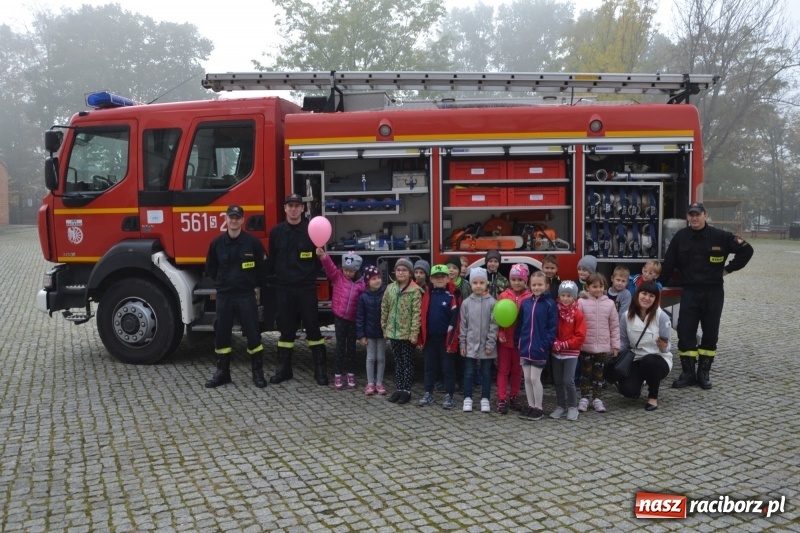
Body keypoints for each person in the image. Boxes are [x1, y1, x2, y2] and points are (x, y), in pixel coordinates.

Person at [658, 202, 753, 390]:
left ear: (705, 215)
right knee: (685, 333)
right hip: (690, 292)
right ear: (687, 217)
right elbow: (669, 263)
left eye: (697, 214)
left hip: (713, 292)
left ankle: (703, 373)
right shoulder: (681, 237)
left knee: (710, 334)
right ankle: (687, 373)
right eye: (691, 215)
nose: (694, 218)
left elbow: (747, 250)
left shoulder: (720, 236)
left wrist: (727, 269)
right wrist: (658, 285)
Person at [204, 205, 268, 389]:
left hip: (245, 296)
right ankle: (222, 373)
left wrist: (250, 282)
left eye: (237, 217)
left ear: (242, 220)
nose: (233, 220)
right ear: (225, 219)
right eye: (230, 217)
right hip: (224, 297)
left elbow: (262, 266)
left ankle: (258, 373)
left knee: (253, 335)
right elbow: (211, 268)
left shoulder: (252, 243)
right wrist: (223, 283)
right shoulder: (217, 243)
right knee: (222, 335)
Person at [267, 193, 328, 386]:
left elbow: (318, 263)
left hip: (305, 288)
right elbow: (273, 260)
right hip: (284, 289)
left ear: (303, 209)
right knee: (286, 330)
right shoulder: (276, 232)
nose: (293, 209)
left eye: (297, 206)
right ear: (284, 209)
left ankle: (320, 371)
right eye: (290, 205)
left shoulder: (311, 231)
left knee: (313, 329)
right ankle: (284, 370)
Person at [609, 282, 673, 411]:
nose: (647, 298)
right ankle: (640, 382)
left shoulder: (662, 317)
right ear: (637, 295)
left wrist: (663, 346)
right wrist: (614, 349)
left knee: (649, 360)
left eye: (651, 296)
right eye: (644, 293)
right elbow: (625, 343)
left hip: (658, 359)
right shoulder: (626, 316)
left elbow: (667, 347)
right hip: (636, 358)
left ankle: (653, 397)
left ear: (655, 299)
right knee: (629, 392)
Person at [318, 249, 366, 390]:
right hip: (339, 317)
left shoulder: (361, 285)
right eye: (345, 270)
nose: (347, 273)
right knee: (340, 346)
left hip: (352, 319)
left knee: (351, 347)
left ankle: (351, 373)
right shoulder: (338, 277)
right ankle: (338, 374)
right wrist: (324, 256)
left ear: (356, 271)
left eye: (351, 271)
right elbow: (330, 267)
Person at [515, 271, 557, 421]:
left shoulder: (550, 304)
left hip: (539, 348)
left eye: (540, 284)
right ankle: (531, 405)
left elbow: (552, 328)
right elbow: (520, 324)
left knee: (534, 378)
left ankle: (539, 407)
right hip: (525, 347)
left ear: (546, 286)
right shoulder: (526, 303)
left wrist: (544, 345)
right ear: (529, 285)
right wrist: (518, 341)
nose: (537, 287)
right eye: (534, 284)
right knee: (526, 378)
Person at [381, 257, 423, 404]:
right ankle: (399, 388)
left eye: (404, 270)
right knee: (398, 362)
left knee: (407, 362)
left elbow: (417, 313)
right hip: (393, 332)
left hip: (406, 334)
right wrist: (385, 328)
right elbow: (385, 308)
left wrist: (414, 334)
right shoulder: (390, 288)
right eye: (398, 269)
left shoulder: (415, 291)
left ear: (410, 273)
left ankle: (407, 390)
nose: (401, 272)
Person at [418, 264, 460, 409]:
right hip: (430, 339)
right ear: (431, 279)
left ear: (448, 278)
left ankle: (449, 396)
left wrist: (451, 341)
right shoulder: (427, 295)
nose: (440, 279)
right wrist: (421, 337)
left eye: (443, 277)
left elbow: (455, 321)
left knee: (448, 368)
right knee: (429, 367)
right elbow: (422, 317)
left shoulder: (451, 297)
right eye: (436, 277)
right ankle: (428, 393)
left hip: (445, 340)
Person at [577, 272, 620, 413]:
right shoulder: (581, 302)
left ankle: (597, 398)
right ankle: (584, 397)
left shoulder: (609, 304)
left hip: (602, 347)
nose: (598, 289)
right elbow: (577, 324)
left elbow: (614, 326)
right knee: (585, 373)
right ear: (587, 287)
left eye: (600, 286)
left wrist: (615, 345)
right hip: (586, 346)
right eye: (594, 286)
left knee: (599, 374)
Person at [459, 267, 498, 413]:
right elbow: (463, 325)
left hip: (487, 346)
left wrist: (490, 343)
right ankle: (467, 398)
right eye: (475, 283)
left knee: (486, 372)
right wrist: (462, 343)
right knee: (469, 372)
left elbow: (494, 325)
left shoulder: (492, 303)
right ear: (471, 284)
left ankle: (485, 398)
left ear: (486, 283)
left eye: (482, 282)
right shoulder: (466, 303)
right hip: (470, 344)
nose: (478, 286)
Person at [495, 264, 531, 414]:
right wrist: (500, 333)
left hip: (520, 341)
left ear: (526, 280)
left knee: (517, 371)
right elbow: (498, 316)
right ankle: (501, 399)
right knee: (503, 370)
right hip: (505, 341)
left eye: (520, 279)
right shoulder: (503, 295)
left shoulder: (529, 297)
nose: (516, 282)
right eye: (514, 279)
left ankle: (514, 396)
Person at [551, 280, 587, 421]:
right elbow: (551, 328)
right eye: (563, 295)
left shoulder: (577, 314)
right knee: (558, 381)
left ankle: (573, 407)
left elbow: (580, 336)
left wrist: (565, 344)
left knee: (568, 381)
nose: (565, 299)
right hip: (556, 351)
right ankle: (561, 406)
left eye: (568, 296)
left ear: (574, 297)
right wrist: (554, 341)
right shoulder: (555, 311)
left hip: (571, 352)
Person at [356, 265, 387, 396]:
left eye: (379, 278)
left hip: (381, 333)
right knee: (370, 358)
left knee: (380, 358)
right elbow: (359, 317)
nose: (377, 281)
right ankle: (370, 383)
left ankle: (379, 382)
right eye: (374, 279)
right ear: (368, 281)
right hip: (369, 334)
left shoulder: (385, 294)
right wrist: (361, 335)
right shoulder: (363, 297)